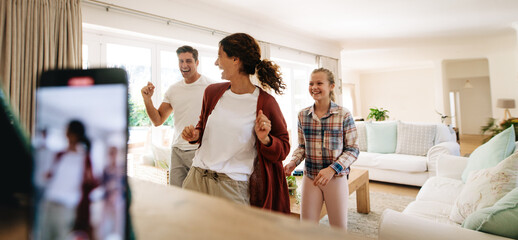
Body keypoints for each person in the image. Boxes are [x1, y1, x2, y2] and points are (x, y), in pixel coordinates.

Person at [181, 33, 291, 213]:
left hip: (231, 187)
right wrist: (195, 134)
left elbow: (284, 147)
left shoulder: (265, 102)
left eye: (219, 56)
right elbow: (203, 125)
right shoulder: (212, 92)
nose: (216, 63)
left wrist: (265, 140)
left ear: (235, 59)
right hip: (196, 178)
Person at [284, 68, 359, 229]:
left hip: (336, 178)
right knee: (307, 229)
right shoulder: (302, 115)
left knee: (338, 230)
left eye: (319, 83)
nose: (314, 87)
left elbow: (353, 149)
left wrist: (332, 169)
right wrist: (293, 162)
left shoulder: (343, 115)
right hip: (311, 178)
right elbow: (302, 147)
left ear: (331, 86)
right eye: (311, 83)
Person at [141, 45, 215, 187]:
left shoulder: (210, 87)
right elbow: (157, 120)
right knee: (176, 195)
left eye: (188, 61)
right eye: (181, 61)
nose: (184, 65)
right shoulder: (174, 90)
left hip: (199, 150)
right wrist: (147, 100)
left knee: (200, 196)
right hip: (177, 151)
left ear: (197, 63)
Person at [39, 120, 98, 240]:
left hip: (67, 206)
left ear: (74, 134)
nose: (65, 133)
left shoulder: (85, 158)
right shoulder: (60, 154)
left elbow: (91, 182)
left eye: (67, 131)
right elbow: (50, 176)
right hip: (50, 202)